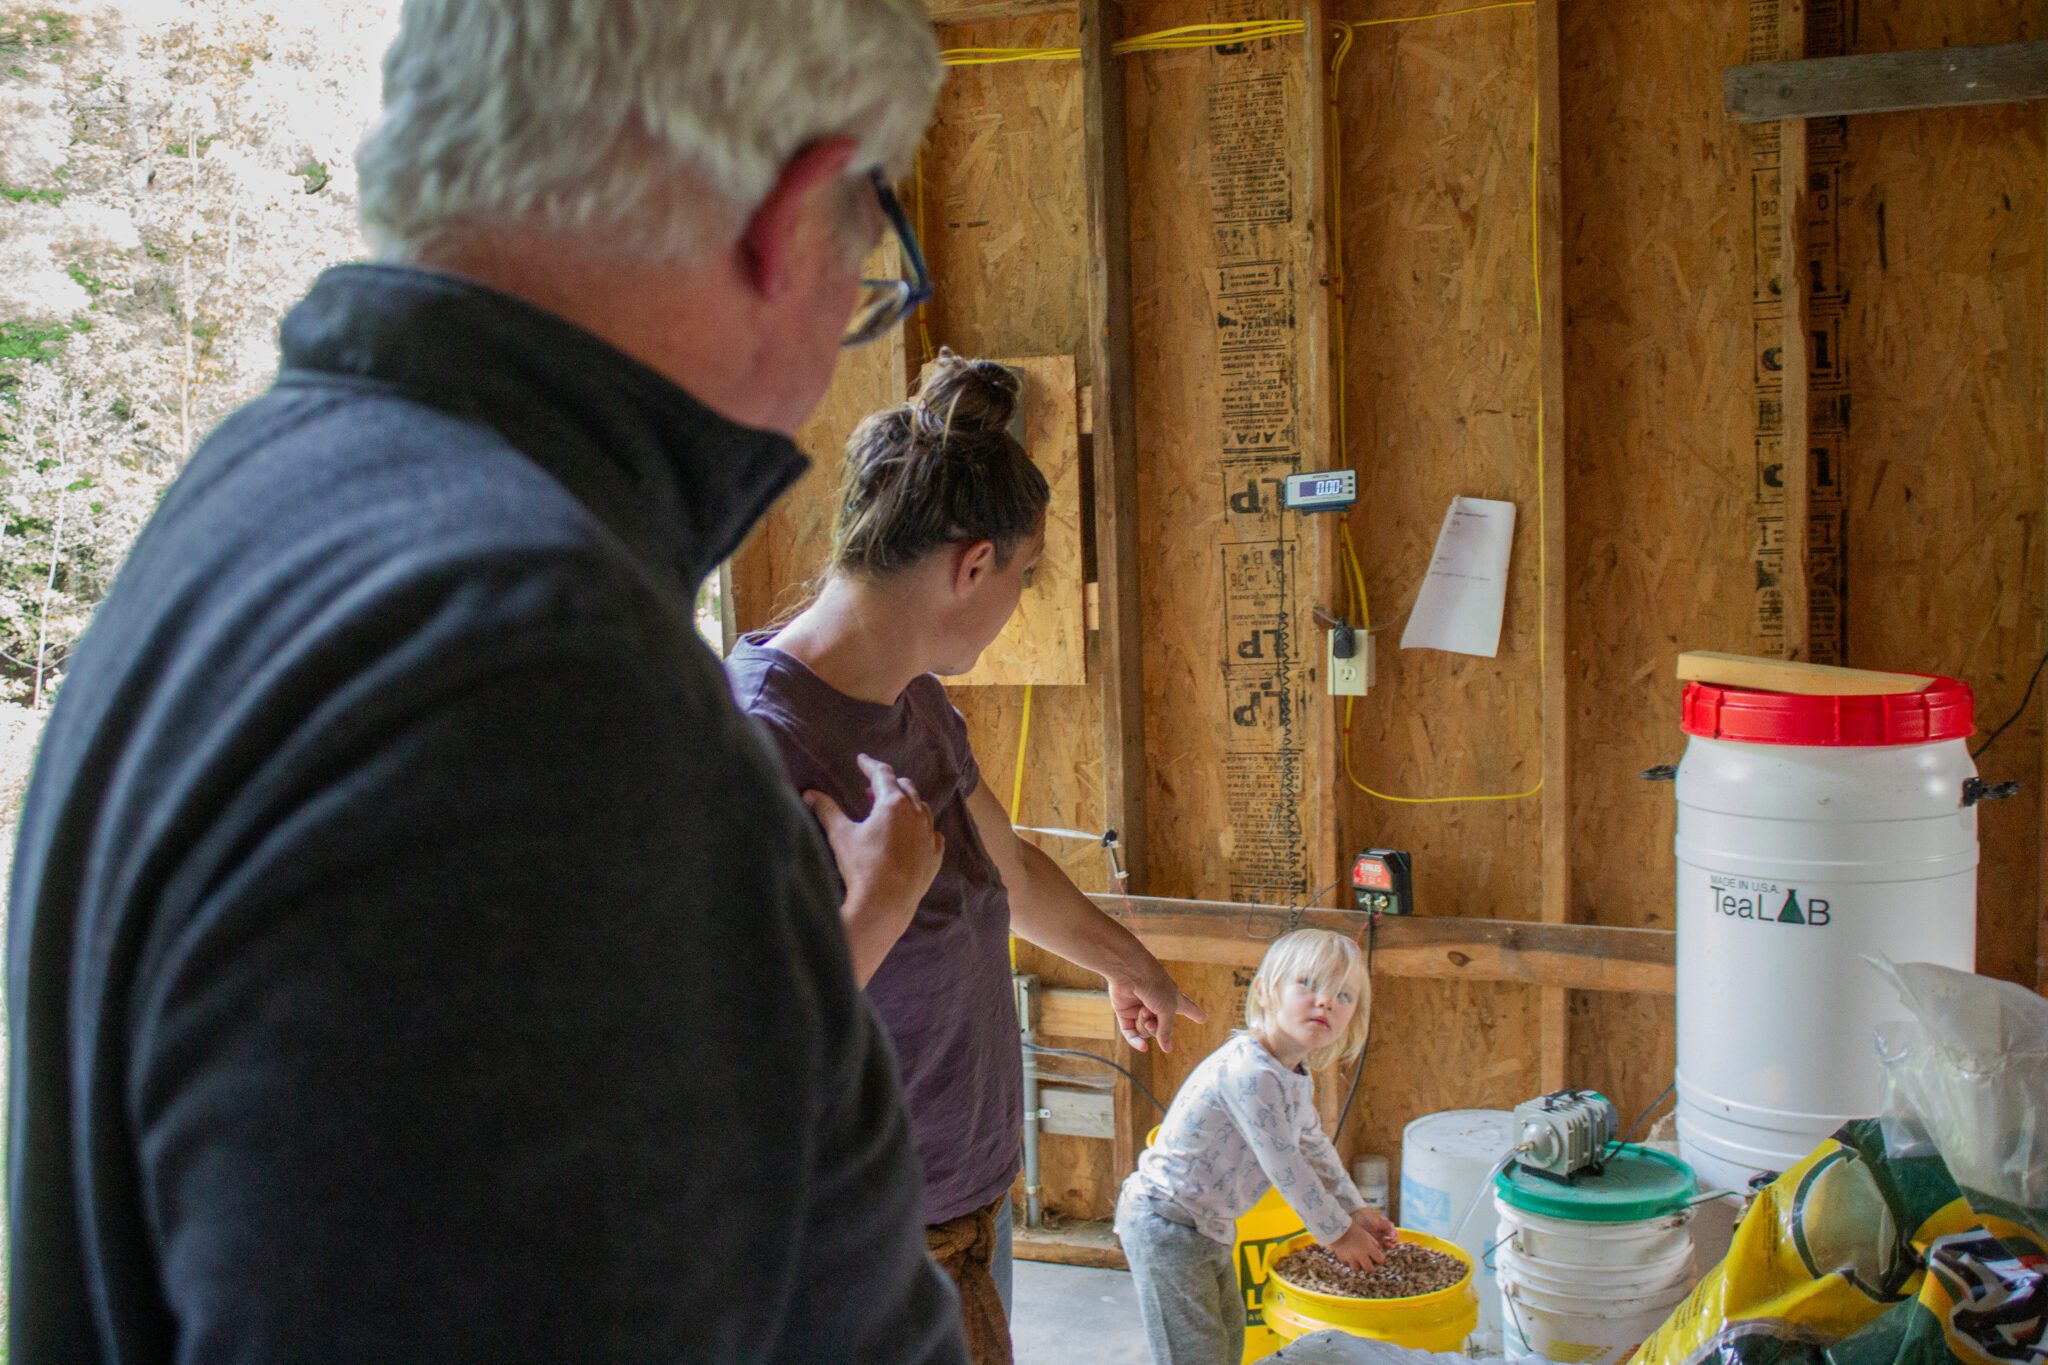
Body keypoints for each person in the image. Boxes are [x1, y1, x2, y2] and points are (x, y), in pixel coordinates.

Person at [5, 1, 969, 1360]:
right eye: (867, 256)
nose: (842, 341)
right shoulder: (529, 680)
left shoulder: (268, 499)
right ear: (791, 212)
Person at [727, 353, 1205, 1363]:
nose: (1018, 601)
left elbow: (1012, 873)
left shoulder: (915, 705)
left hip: (963, 1198)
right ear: (972, 565)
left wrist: (1130, 963)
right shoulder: (752, 744)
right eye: (1025, 576)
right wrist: (880, 904)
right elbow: (726, 1050)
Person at [1115, 928, 1395, 1365]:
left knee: (1227, 1343)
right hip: (1165, 1220)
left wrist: (1356, 1209)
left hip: (1208, 1227)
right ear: (1264, 991)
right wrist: (1338, 1234)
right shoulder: (1251, 1071)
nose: (1325, 1001)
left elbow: (1314, 1148)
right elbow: (1287, 1166)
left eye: (1343, 996)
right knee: (1193, 1354)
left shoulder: (1295, 1074)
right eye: (1308, 984)